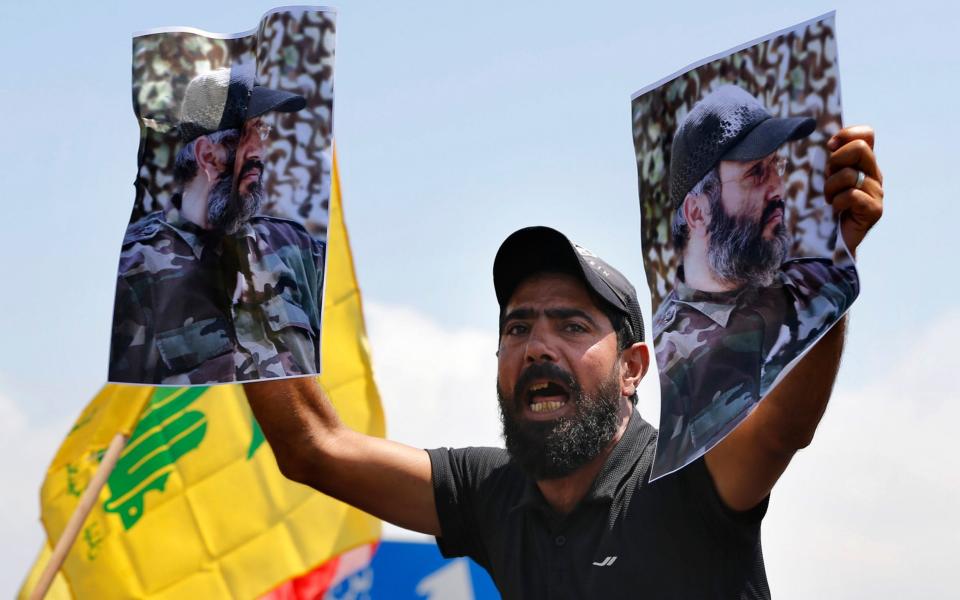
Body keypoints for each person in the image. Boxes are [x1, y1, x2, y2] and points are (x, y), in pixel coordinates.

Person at [243, 128, 881, 599]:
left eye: (572, 325)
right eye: (517, 327)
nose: (537, 346)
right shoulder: (492, 495)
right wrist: (245, 278)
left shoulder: (688, 477)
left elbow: (781, 427)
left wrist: (827, 264)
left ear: (634, 368)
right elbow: (311, 446)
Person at [652, 83, 864, 477]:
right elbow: (777, 436)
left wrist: (846, 246)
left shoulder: (811, 280)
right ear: (697, 212)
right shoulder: (676, 349)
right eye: (755, 174)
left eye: (777, 168)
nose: (777, 190)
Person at [109, 68, 325, 385]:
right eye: (246, 136)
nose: (260, 153)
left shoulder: (297, 249)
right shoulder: (135, 269)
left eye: (263, 132)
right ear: (207, 155)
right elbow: (128, 403)